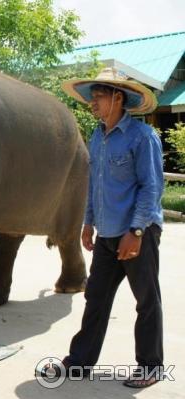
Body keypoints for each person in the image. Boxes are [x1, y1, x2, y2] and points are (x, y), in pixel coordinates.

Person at [60, 67, 164, 388]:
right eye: (92, 97)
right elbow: (94, 184)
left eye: (99, 96)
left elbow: (151, 188)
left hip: (137, 233)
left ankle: (150, 367)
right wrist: (88, 222)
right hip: (106, 233)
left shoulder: (143, 137)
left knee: (146, 301)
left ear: (118, 98)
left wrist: (135, 232)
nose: (93, 103)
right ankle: (79, 362)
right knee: (96, 299)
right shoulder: (97, 136)